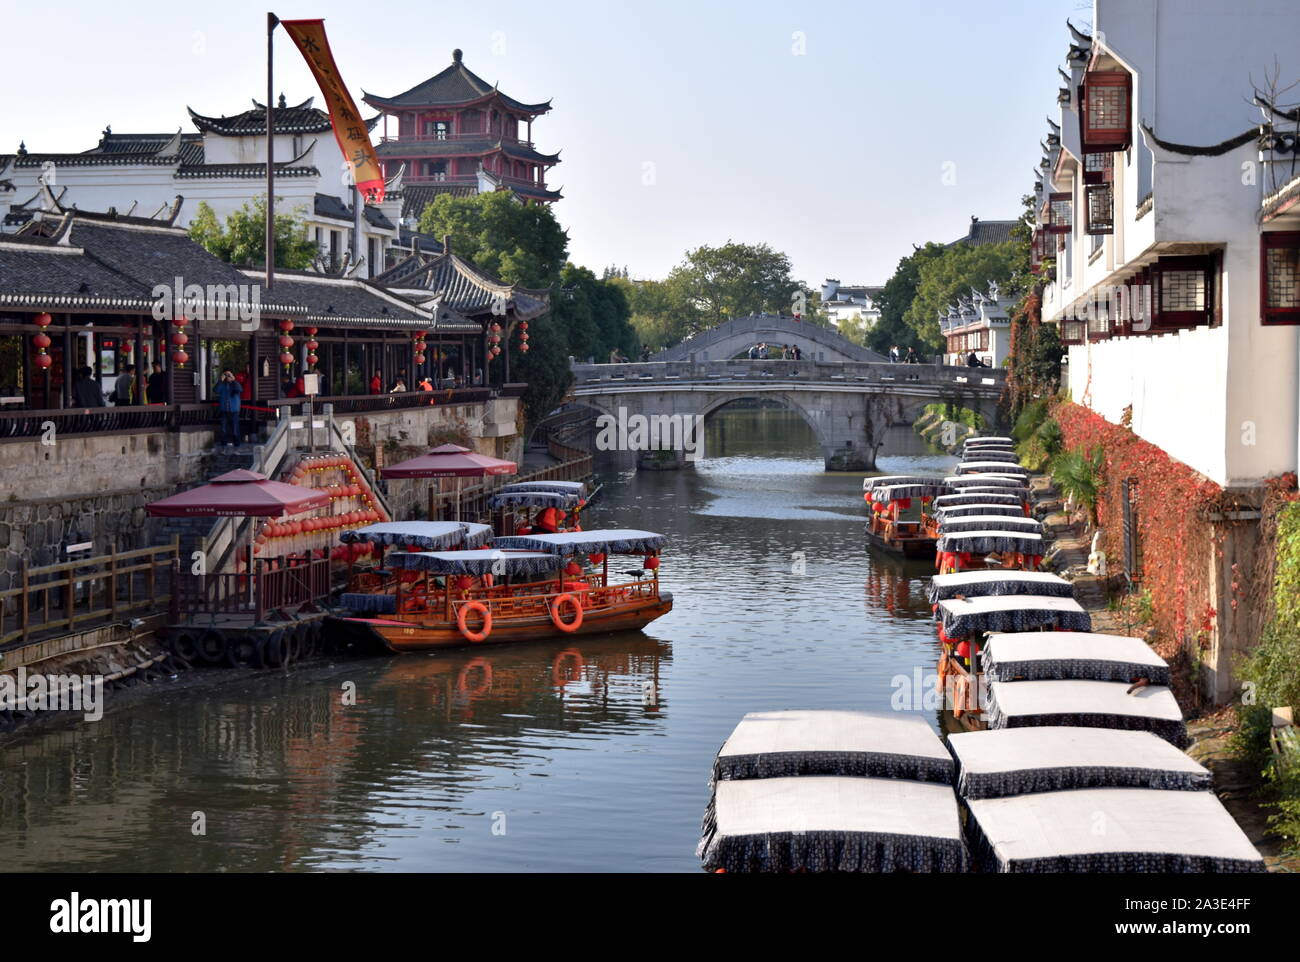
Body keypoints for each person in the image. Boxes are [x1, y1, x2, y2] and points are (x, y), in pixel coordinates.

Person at [215, 368, 242, 450]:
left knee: (235, 430)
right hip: (224, 410)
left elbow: (240, 390)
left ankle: (237, 445)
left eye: (229, 375)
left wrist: (233, 380)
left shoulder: (235, 384)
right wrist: (220, 380)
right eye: (226, 375)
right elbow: (216, 390)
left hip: (234, 410)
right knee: (223, 429)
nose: (227, 377)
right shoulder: (222, 384)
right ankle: (224, 446)